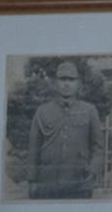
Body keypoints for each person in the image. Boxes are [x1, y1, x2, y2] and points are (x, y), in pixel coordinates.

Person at [26, 60, 104, 199]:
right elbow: (33, 149)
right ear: (56, 83)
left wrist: (93, 170)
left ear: (78, 83)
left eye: (71, 80)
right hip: (47, 183)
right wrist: (32, 180)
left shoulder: (89, 110)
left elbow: (98, 147)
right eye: (62, 79)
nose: (66, 84)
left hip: (79, 182)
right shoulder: (42, 111)